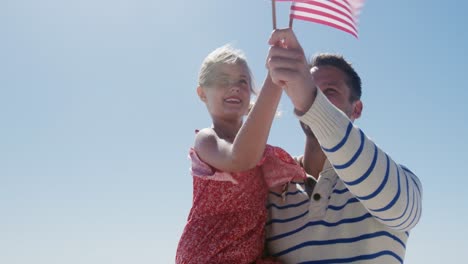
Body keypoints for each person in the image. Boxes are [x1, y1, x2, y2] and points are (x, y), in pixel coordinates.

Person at [264, 28, 423, 263]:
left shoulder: (397, 182)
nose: (317, 98)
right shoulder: (273, 191)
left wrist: (310, 99)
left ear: (356, 109)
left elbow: (403, 209)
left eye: (329, 92)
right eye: (311, 90)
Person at [175, 44, 306, 264]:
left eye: (242, 81)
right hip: (207, 255)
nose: (234, 87)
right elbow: (240, 159)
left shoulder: (260, 151)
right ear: (201, 93)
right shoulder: (207, 139)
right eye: (222, 80)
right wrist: (274, 83)